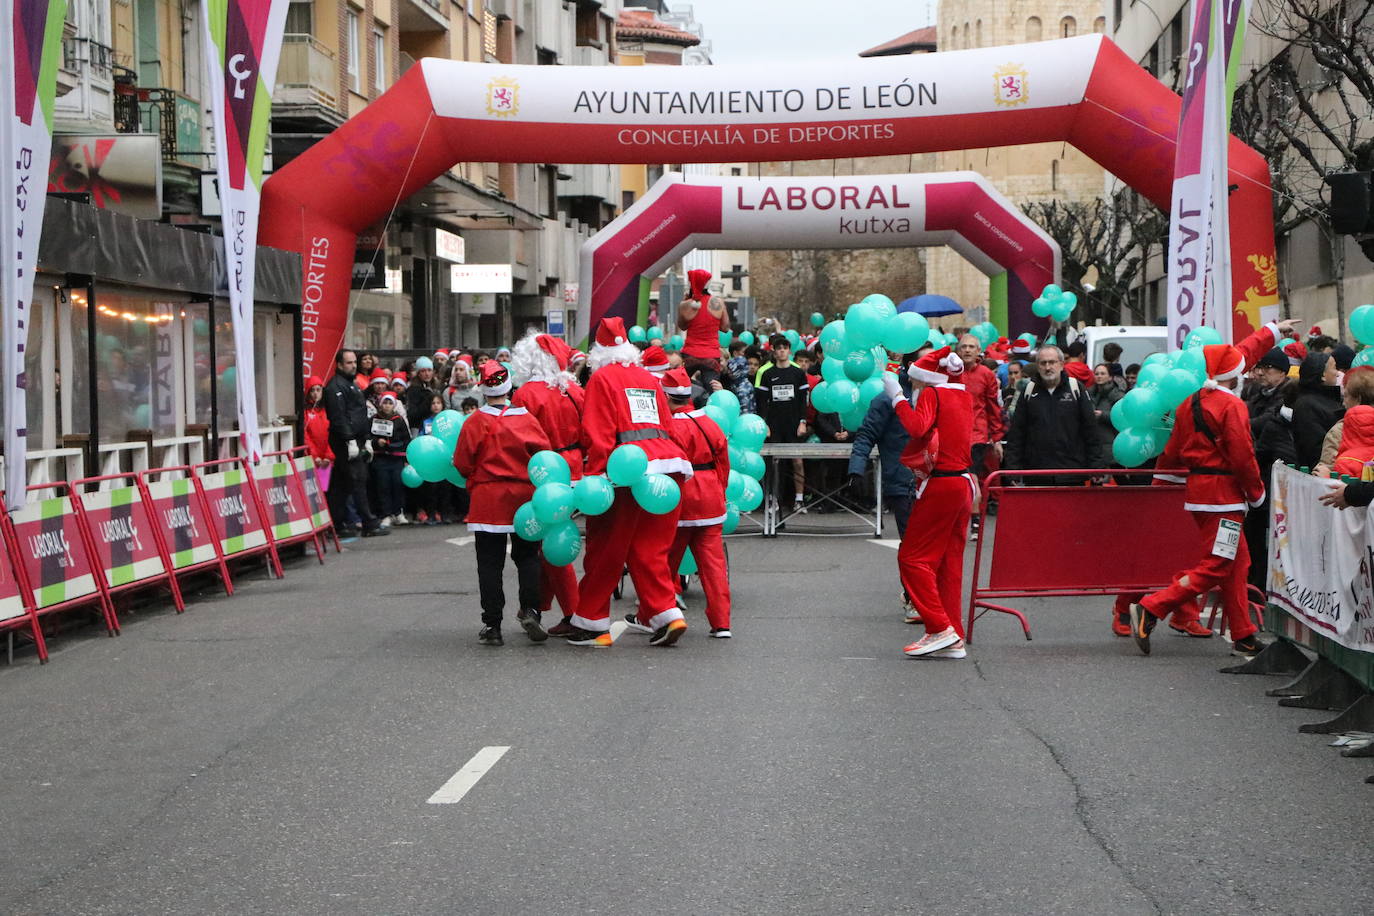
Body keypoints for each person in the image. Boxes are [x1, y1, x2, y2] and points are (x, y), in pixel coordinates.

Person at [1128, 344, 1268, 658]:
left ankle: (1244, 634)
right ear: (1234, 375)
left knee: (1236, 563)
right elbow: (1243, 456)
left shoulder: (1188, 403)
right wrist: (1257, 493)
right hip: (1225, 498)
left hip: (1199, 494)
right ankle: (1152, 608)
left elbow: (1173, 452)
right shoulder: (1232, 407)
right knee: (1219, 565)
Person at [564, 317, 694, 648]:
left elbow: (599, 431)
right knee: (650, 548)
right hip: (667, 467)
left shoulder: (602, 379)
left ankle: (592, 623)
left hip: (625, 472)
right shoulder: (648, 378)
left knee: (607, 547)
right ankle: (667, 614)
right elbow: (667, 423)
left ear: (599, 352)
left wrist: (596, 476)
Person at [884, 347, 976, 659]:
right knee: (950, 563)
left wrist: (896, 396)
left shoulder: (933, 395)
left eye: (916, 382)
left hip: (941, 483)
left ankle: (939, 628)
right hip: (962, 483)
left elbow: (917, 427)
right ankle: (953, 635)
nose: (914, 387)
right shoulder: (963, 396)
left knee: (912, 558)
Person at [452, 361, 552, 646]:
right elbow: (544, 457)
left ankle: (492, 625)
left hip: (488, 500)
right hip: (525, 498)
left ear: (483, 389)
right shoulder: (528, 419)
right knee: (529, 556)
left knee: (489, 563)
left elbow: (461, 463)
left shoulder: (474, 421)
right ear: (509, 386)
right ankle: (532, 610)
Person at [510, 331, 586, 635]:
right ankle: (538, 606)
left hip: (542, 472)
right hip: (576, 470)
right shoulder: (574, 390)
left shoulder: (525, 394)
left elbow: (516, 438)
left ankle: (574, 613)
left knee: (551, 546)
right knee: (549, 541)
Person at [659, 367, 733, 638]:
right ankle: (721, 623)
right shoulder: (710, 423)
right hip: (711, 500)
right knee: (713, 567)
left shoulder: (668, 426)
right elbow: (723, 463)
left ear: (665, 396)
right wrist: (719, 490)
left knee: (665, 562)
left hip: (679, 499)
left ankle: (661, 614)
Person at [848, 350, 921, 622]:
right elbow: (867, 434)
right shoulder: (887, 397)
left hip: (935, 481)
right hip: (902, 482)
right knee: (913, 544)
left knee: (932, 544)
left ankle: (926, 595)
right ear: (909, 366)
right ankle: (914, 598)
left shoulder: (937, 394)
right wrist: (856, 467)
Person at [1003, 345, 1104, 485]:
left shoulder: (1076, 388)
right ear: (1037, 366)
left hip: (1072, 474)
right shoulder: (1028, 392)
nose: (1048, 367)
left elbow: (1091, 430)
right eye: (1043, 363)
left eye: (1052, 362)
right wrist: (1013, 470)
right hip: (1037, 475)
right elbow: (1017, 433)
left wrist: (1096, 467)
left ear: (1062, 364)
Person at [1242, 348, 1297, 590]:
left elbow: (1263, 422)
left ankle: (1262, 582)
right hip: (1254, 469)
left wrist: (1240, 424)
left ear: (1282, 372)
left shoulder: (1287, 395)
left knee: (1267, 532)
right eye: (1259, 368)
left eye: (1268, 368)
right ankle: (1252, 577)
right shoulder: (1254, 392)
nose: (1261, 373)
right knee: (1251, 531)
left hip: (1271, 472)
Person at [322, 348, 388, 538]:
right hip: (345, 440)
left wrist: (366, 438)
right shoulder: (335, 387)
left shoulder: (351, 384)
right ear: (340, 364)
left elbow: (359, 415)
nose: (353, 366)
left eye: (354, 362)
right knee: (358, 479)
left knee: (341, 484)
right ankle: (368, 522)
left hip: (356, 438)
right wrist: (350, 439)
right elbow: (338, 417)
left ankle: (337, 523)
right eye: (349, 363)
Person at [956, 334, 1005, 537]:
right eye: (964, 347)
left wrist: (997, 438)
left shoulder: (986, 374)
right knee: (957, 480)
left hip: (977, 435)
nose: (967, 350)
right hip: (954, 435)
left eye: (971, 347)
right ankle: (960, 519)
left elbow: (994, 408)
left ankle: (975, 522)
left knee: (972, 477)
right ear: (958, 351)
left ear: (978, 351)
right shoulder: (950, 372)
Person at [756, 334, 810, 511]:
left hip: (794, 423)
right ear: (774, 351)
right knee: (774, 463)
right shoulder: (766, 373)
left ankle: (799, 500)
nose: (781, 351)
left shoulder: (798, 373)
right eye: (778, 348)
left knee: (797, 461)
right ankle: (773, 499)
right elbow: (762, 402)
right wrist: (765, 424)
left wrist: (803, 422)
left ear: (789, 351)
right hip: (775, 424)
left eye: (784, 348)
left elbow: (804, 401)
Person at [677, 268, 731, 390]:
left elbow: (682, 326)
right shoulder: (717, 302)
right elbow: (725, 328)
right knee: (713, 389)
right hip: (711, 355)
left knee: (682, 387)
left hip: (690, 353)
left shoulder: (685, 304)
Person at [1291, 351, 1344, 468]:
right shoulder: (1306, 406)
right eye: (1334, 367)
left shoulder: (1331, 399)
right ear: (1323, 375)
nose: (1338, 373)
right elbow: (1314, 449)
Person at [369, 392, 411, 527]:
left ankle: (398, 512)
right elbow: (368, 437)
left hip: (396, 458)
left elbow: (406, 439)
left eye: (390, 403)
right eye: (385, 403)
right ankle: (386, 514)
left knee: (397, 485)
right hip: (380, 458)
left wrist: (403, 455)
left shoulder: (399, 419)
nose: (387, 406)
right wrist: (377, 443)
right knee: (383, 486)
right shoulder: (374, 419)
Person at [1090, 362, 1125, 456]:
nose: (1099, 376)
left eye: (1102, 373)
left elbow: (1122, 416)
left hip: (1111, 442)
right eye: (1096, 374)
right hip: (1094, 444)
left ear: (1110, 377)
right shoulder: (1089, 393)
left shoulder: (1117, 395)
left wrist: (1102, 415)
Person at [406, 356, 439, 432]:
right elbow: (412, 414)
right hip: (419, 428)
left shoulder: (435, 387)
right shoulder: (413, 390)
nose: (427, 374)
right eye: (423, 371)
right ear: (418, 373)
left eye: (429, 370)